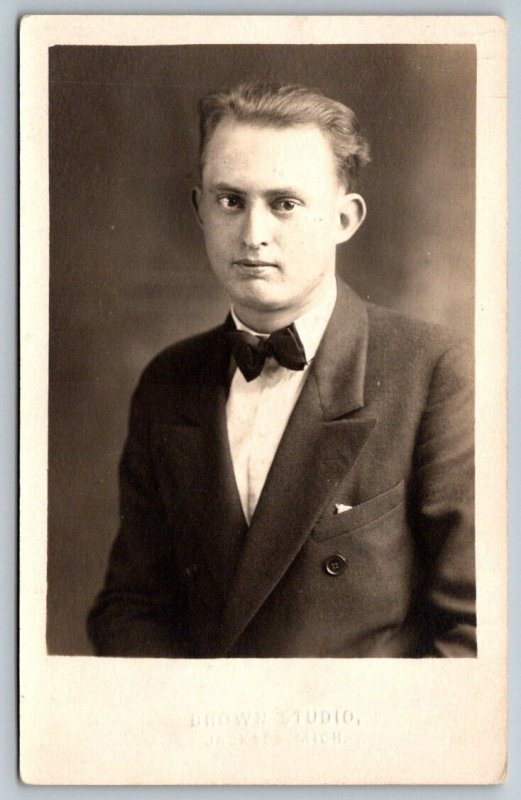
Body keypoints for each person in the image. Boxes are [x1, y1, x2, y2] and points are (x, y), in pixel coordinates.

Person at [87, 82, 476, 658]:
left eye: (285, 204)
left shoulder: (433, 370)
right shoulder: (168, 382)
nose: (253, 235)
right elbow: (133, 609)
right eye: (230, 201)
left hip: (362, 739)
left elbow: (475, 633)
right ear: (199, 209)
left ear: (345, 218)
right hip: (199, 739)